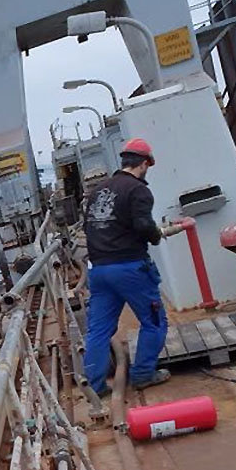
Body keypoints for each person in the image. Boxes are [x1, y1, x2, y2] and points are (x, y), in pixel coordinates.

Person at [82, 138, 169, 395]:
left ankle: (94, 386)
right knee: (154, 321)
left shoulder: (98, 191)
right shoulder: (138, 190)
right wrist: (156, 235)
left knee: (99, 330)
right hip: (129, 268)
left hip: (99, 271)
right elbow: (143, 225)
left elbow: (88, 228)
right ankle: (142, 374)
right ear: (144, 164)